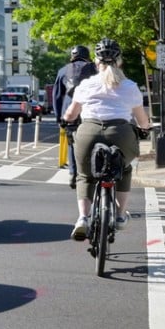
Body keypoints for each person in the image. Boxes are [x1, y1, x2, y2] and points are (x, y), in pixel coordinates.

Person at [61, 38, 151, 240]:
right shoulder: (130, 86)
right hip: (121, 133)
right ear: (119, 61)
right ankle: (119, 216)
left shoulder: (86, 84)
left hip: (89, 131)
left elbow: (71, 115)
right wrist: (146, 128)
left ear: (95, 62)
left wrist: (66, 121)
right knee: (125, 168)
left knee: (84, 175)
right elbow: (142, 120)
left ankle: (83, 218)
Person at [53, 45, 97, 189]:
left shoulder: (63, 70)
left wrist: (59, 117)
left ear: (72, 56)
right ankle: (91, 172)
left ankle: (74, 174)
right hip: (90, 111)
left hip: (69, 112)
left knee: (73, 143)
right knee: (93, 141)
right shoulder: (95, 68)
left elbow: (57, 96)